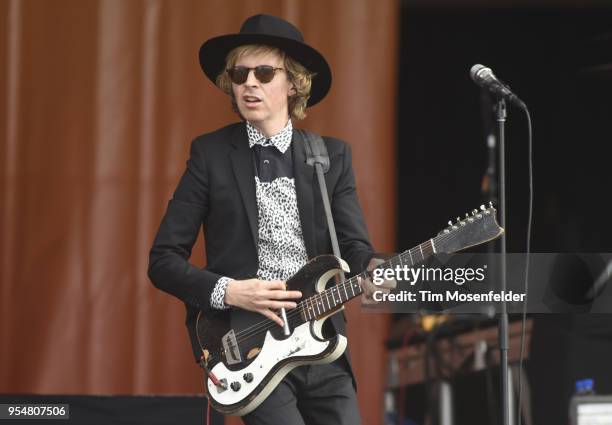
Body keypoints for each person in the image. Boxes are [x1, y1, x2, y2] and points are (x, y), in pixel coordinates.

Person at [148, 14, 390, 425]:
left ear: (294, 83)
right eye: (239, 74)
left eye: (263, 72)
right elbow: (163, 260)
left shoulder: (331, 157)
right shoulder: (210, 155)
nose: (249, 84)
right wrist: (230, 292)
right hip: (249, 343)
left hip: (322, 341)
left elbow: (356, 247)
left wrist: (374, 268)